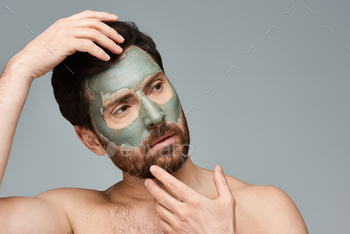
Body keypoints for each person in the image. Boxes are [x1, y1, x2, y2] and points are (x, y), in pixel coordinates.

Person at [0, 10, 308, 234]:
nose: (155, 116)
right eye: (122, 108)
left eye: (156, 87)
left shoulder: (265, 212)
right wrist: (19, 70)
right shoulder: (73, 219)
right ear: (91, 140)